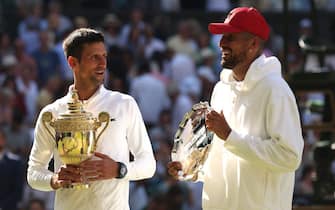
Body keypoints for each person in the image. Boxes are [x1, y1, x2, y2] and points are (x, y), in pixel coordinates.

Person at [168, 7, 304, 210]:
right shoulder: (221, 89)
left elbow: (290, 157)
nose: (222, 43)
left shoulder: (276, 90)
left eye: (230, 37)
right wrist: (191, 168)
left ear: (253, 44)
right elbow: (222, 158)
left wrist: (231, 136)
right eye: (223, 37)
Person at [27, 28, 156, 210]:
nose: (103, 63)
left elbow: (149, 165)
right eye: (94, 57)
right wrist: (55, 179)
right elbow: (33, 173)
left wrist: (119, 169)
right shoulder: (52, 113)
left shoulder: (124, 104)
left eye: (104, 56)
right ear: (73, 62)